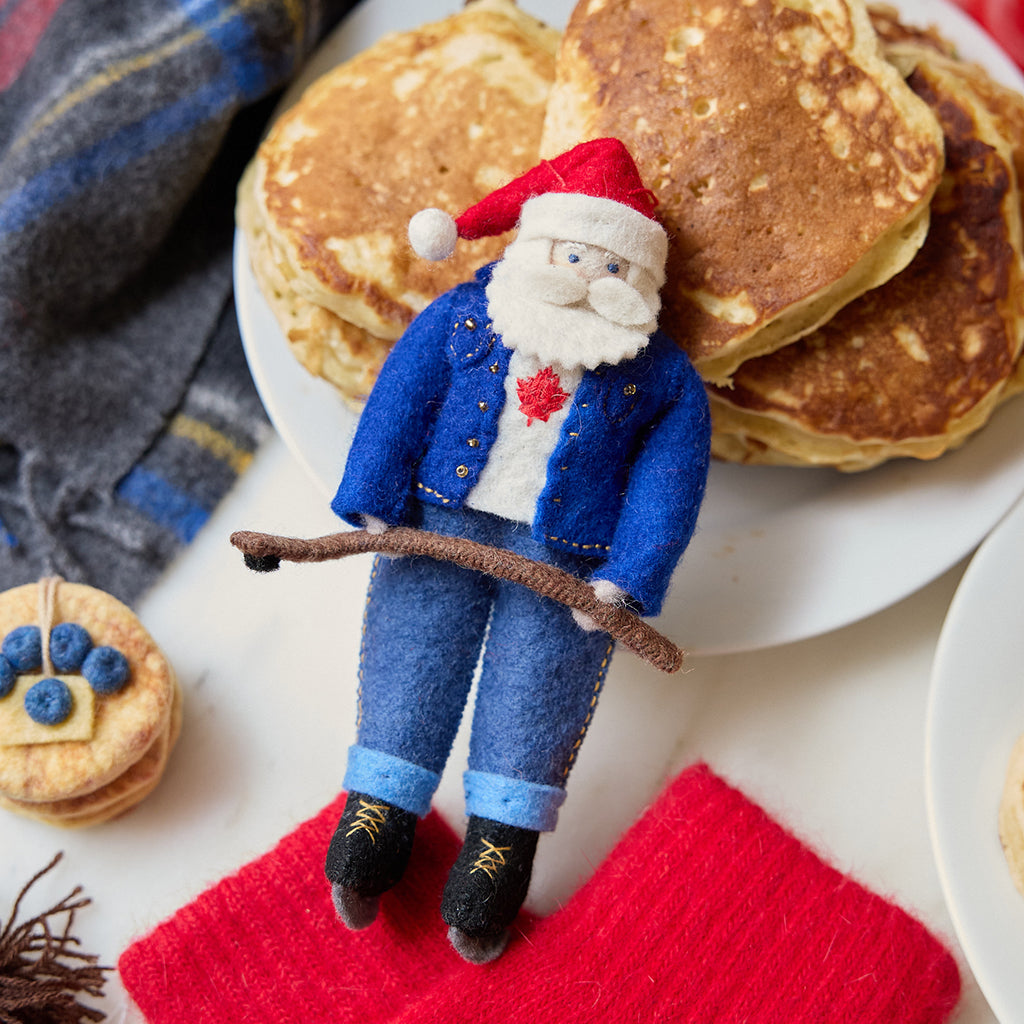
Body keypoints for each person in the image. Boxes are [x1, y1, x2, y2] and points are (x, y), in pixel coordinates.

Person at [324, 138, 711, 963]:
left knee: (537, 696)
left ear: (644, 282)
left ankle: (497, 858)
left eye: (612, 267)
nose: (586, 278)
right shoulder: (464, 316)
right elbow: (401, 398)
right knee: (412, 660)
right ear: (535, 247)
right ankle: (377, 815)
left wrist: (630, 576)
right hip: (436, 527)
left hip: (566, 564)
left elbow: (668, 481)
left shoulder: (660, 376)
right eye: (573, 255)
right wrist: (373, 498)